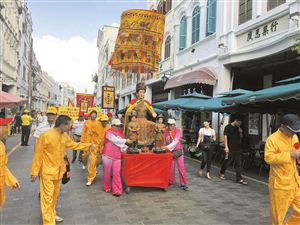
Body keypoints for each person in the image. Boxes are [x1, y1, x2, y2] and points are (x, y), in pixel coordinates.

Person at [30, 115, 93, 224]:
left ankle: (52, 214)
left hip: (59, 171)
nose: (69, 127)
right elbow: (38, 154)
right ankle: (48, 221)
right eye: (68, 125)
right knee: (47, 198)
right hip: (47, 172)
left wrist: (87, 145)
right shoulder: (46, 135)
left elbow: (72, 144)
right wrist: (34, 172)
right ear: (62, 125)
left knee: (54, 197)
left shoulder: (64, 136)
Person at [264, 114, 300, 225]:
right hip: (280, 183)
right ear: (282, 126)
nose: (294, 133)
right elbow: (268, 158)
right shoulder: (272, 139)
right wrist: (289, 154)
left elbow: (296, 153)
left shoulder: (294, 137)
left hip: (294, 180)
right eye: (291, 130)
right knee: (278, 215)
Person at [102, 119, 132, 196]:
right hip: (108, 155)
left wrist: (127, 148)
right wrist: (126, 141)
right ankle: (106, 186)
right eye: (117, 126)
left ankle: (117, 190)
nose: (118, 127)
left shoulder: (119, 133)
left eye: (119, 126)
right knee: (107, 172)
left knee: (117, 172)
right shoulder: (108, 132)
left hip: (117, 155)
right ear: (113, 126)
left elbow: (121, 144)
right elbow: (116, 141)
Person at [124, 81, 157, 146]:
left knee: (155, 125)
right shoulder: (133, 102)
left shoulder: (146, 103)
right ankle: (135, 141)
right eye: (140, 92)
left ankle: (150, 141)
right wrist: (132, 112)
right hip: (136, 120)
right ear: (137, 93)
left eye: (143, 92)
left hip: (145, 119)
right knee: (135, 125)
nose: (142, 94)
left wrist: (152, 113)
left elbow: (150, 111)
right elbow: (127, 111)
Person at [219, 116, 247, 185]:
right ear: (236, 120)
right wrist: (226, 147)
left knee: (238, 164)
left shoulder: (238, 128)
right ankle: (222, 172)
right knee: (227, 162)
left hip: (238, 148)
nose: (239, 125)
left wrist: (240, 132)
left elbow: (241, 137)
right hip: (230, 148)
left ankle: (239, 178)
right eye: (239, 123)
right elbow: (225, 136)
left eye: (240, 124)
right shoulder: (228, 127)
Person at [0, 117, 21, 209]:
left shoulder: (1, 145)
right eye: (5, 126)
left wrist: (12, 180)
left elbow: (2, 166)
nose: (8, 129)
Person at [163, 119, 188, 190]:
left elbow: (175, 141)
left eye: (171, 125)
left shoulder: (178, 131)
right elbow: (164, 140)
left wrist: (166, 147)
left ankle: (183, 183)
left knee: (181, 167)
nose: (170, 126)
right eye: (169, 125)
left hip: (178, 151)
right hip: (170, 152)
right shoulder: (165, 131)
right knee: (171, 167)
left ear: (174, 125)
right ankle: (171, 181)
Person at [80, 110, 102, 186]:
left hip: (94, 144)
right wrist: (82, 141)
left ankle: (90, 178)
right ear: (90, 115)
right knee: (85, 156)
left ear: (96, 115)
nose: (93, 115)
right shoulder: (86, 122)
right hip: (87, 142)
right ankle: (84, 163)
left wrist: (99, 144)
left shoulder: (98, 124)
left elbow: (100, 134)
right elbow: (83, 132)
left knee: (92, 161)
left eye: (94, 114)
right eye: (92, 114)